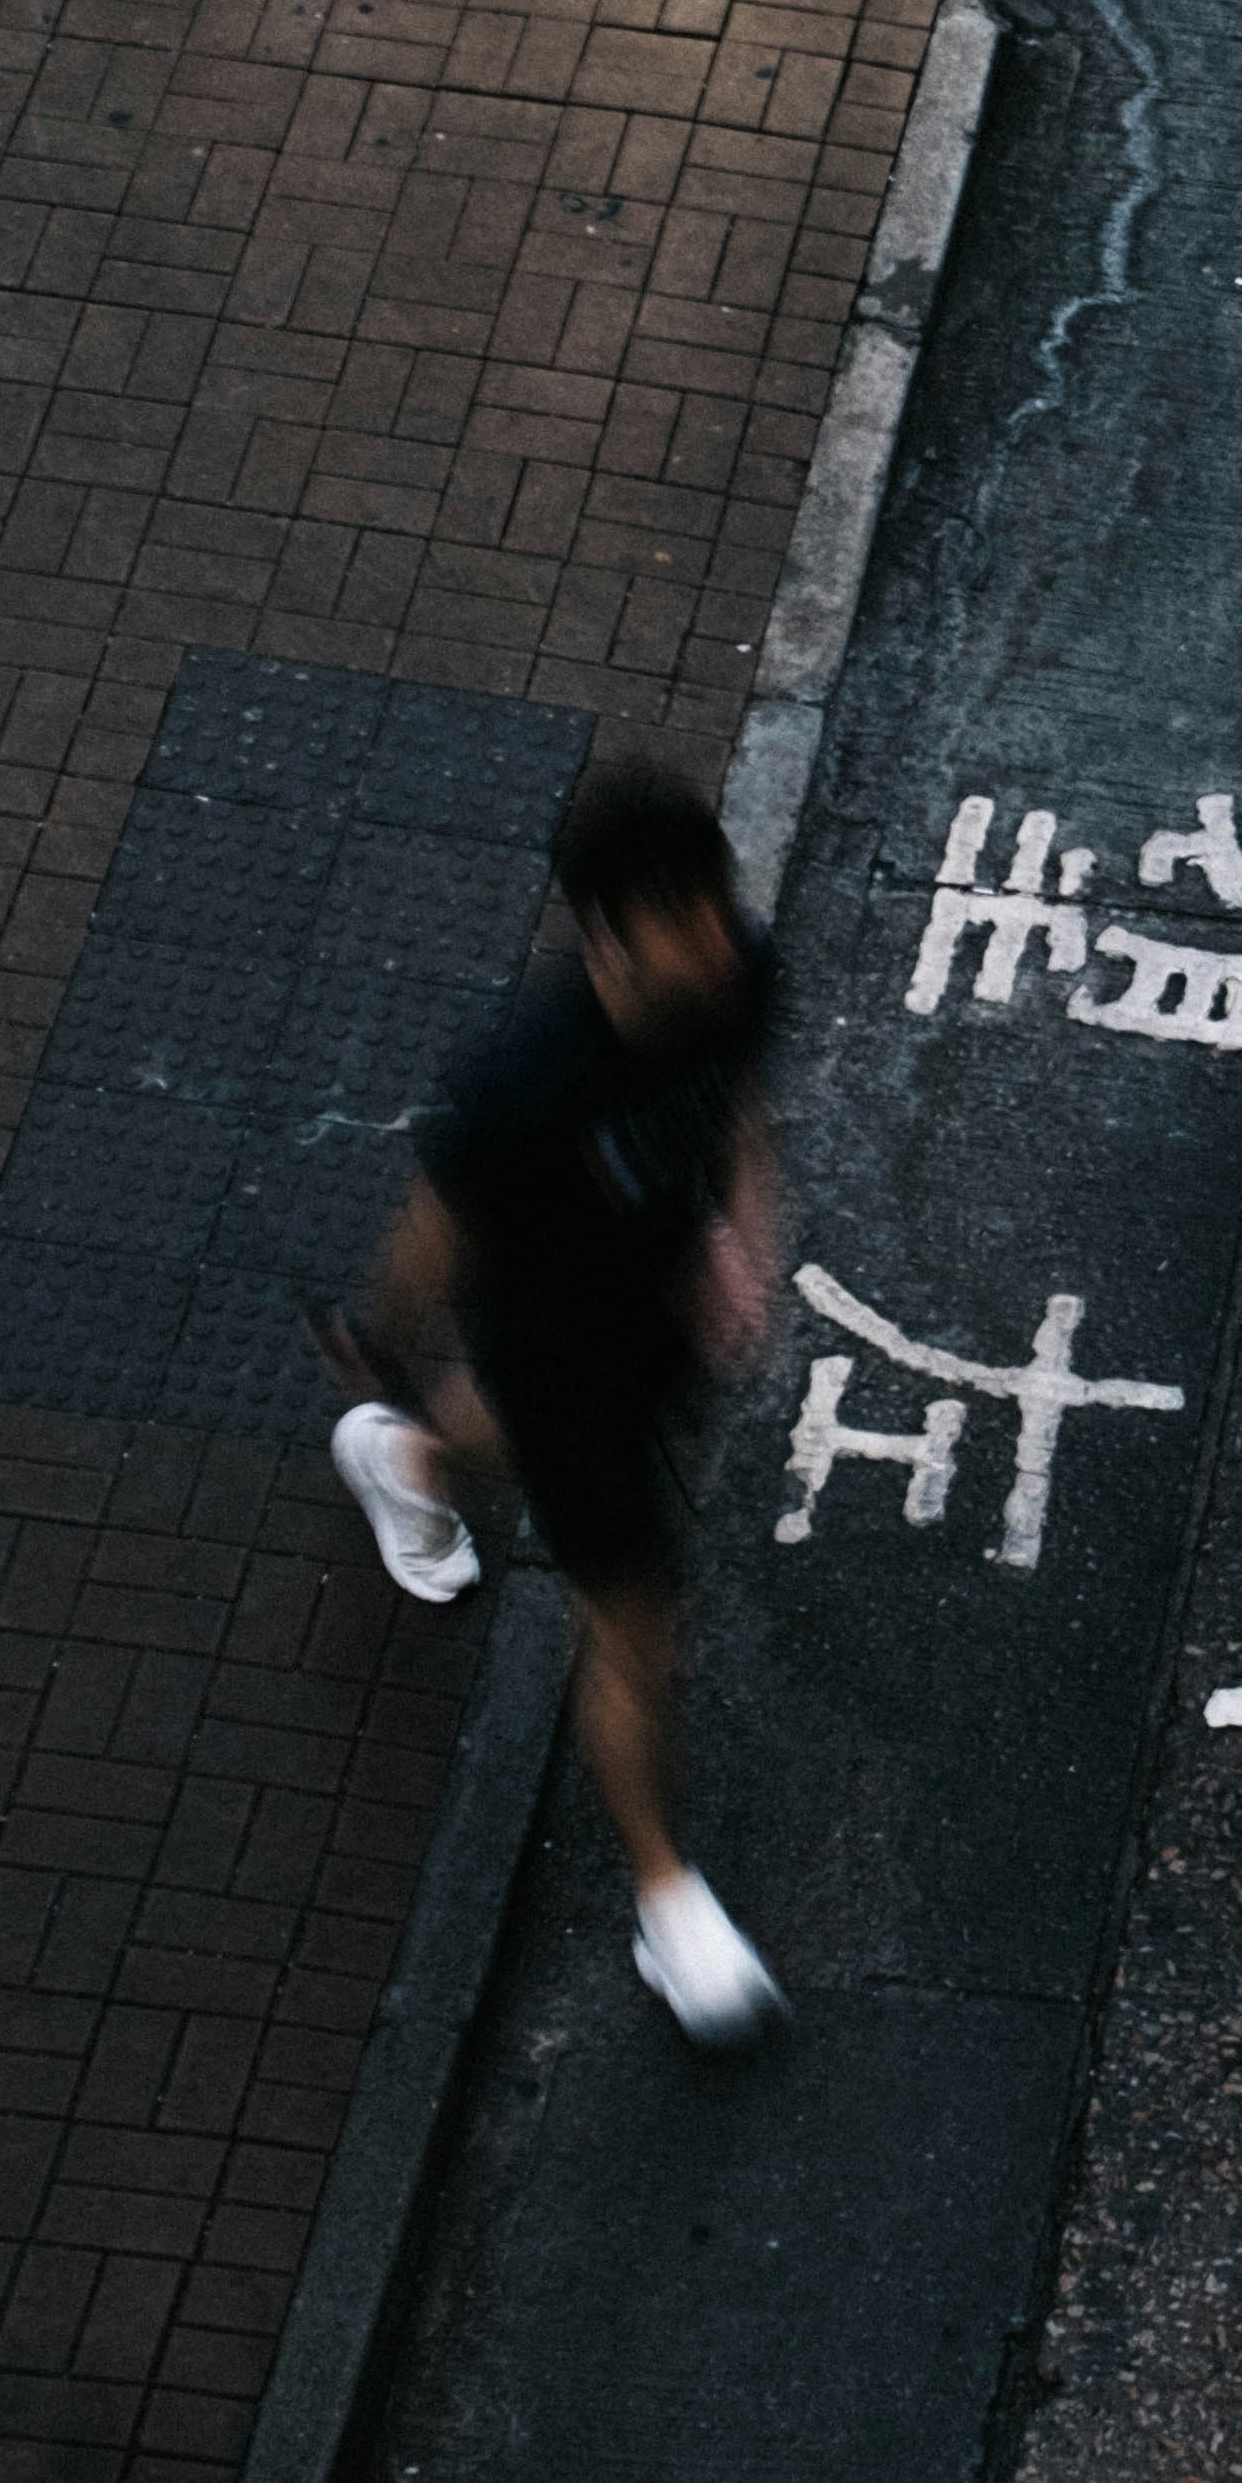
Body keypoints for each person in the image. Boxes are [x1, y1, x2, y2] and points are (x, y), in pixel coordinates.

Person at [323, 755, 789, 2043]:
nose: (715, 940)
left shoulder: (738, 970)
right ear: (607, 936)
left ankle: (404, 1469)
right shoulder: (523, 1085)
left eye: (715, 903)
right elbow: (433, 1239)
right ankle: (665, 1897)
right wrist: (380, 1337)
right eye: (679, 921)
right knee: (637, 1620)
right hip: (564, 1362)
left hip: (656, 1337)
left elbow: (742, 1110)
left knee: (490, 1439)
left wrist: (740, 1237)